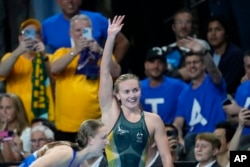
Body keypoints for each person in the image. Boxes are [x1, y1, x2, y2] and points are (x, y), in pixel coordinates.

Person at [99, 15, 173, 167]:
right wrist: (111, 37)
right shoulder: (109, 113)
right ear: (117, 95)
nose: (132, 95)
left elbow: (166, 159)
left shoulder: (154, 121)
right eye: (126, 92)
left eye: (135, 90)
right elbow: (105, 72)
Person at [50, 14, 121, 142]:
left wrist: (100, 51)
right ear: (70, 33)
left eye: (86, 30)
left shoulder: (102, 54)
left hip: (96, 124)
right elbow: (54, 69)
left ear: (92, 32)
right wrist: (75, 51)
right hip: (66, 126)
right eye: (78, 30)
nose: (81, 34)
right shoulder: (62, 52)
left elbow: (116, 72)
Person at [172, 37, 227, 159]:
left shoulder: (213, 82)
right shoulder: (184, 93)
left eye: (196, 62)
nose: (192, 66)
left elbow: (213, 71)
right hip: (193, 140)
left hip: (214, 137)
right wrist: (178, 136)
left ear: (203, 65)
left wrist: (203, 52)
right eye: (188, 63)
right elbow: (178, 122)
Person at [0, 18, 55, 123]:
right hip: (16, 119)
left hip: (42, 118)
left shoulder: (49, 58)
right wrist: (18, 51)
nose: (31, 37)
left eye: (36, 33)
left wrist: (43, 55)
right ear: (20, 38)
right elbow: (2, 72)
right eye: (26, 33)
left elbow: (54, 82)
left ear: (41, 38)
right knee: (8, 137)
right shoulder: (11, 57)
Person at [42, 0, 129, 63]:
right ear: (58, 2)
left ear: (80, 1)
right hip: (62, 79)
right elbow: (38, 51)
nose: (70, 1)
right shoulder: (47, 25)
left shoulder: (97, 19)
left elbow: (123, 42)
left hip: (94, 79)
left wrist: (109, 68)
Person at [20, 119, 108, 167]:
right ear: (90, 140)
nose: (107, 142)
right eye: (103, 137)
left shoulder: (81, 161)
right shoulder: (65, 152)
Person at [140, 46, 188, 124]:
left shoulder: (177, 85)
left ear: (165, 66)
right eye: (152, 62)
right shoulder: (137, 87)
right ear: (146, 65)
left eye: (160, 62)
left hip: (170, 132)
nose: (156, 66)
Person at [164, 8, 210, 82]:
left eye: (187, 22)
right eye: (179, 22)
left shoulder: (201, 45)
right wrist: (178, 74)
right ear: (173, 27)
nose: (183, 26)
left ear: (193, 26)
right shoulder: (166, 50)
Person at [206, 15, 245, 96]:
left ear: (226, 33)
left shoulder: (236, 55)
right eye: (210, 30)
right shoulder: (208, 55)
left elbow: (226, 86)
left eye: (218, 29)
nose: (213, 33)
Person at [0, 93, 31, 162]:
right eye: (1, 107)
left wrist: (5, 134)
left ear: (17, 110)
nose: (3, 112)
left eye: (8, 108)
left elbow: (10, 161)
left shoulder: (26, 132)